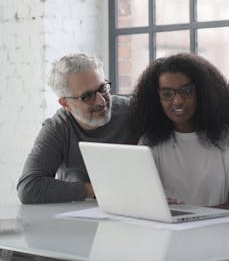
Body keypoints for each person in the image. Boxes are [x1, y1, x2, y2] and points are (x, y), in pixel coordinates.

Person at [128, 53, 229, 213]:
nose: (177, 101)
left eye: (186, 91)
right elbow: (141, 202)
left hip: (218, 234)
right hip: (167, 234)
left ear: (202, 93)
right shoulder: (149, 143)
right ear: (156, 99)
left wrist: (189, 214)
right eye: (167, 94)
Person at [17, 53, 138, 204]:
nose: (101, 101)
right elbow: (29, 188)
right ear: (65, 104)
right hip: (78, 217)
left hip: (133, 208)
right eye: (87, 96)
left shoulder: (132, 112)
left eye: (102, 88)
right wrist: (97, 190)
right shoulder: (58, 128)